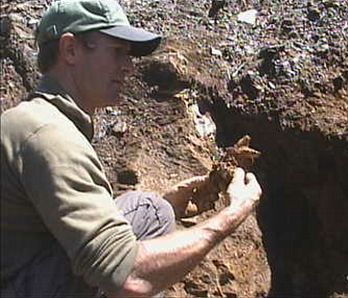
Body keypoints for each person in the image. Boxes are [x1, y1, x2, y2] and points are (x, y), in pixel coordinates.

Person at [0, 0, 262, 297]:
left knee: (153, 208)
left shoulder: (33, 121)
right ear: (70, 50)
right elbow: (129, 277)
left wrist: (169, 206)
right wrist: (231, 216)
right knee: (149, 214)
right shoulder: (49, 135)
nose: (128, 67)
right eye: (117, 52)